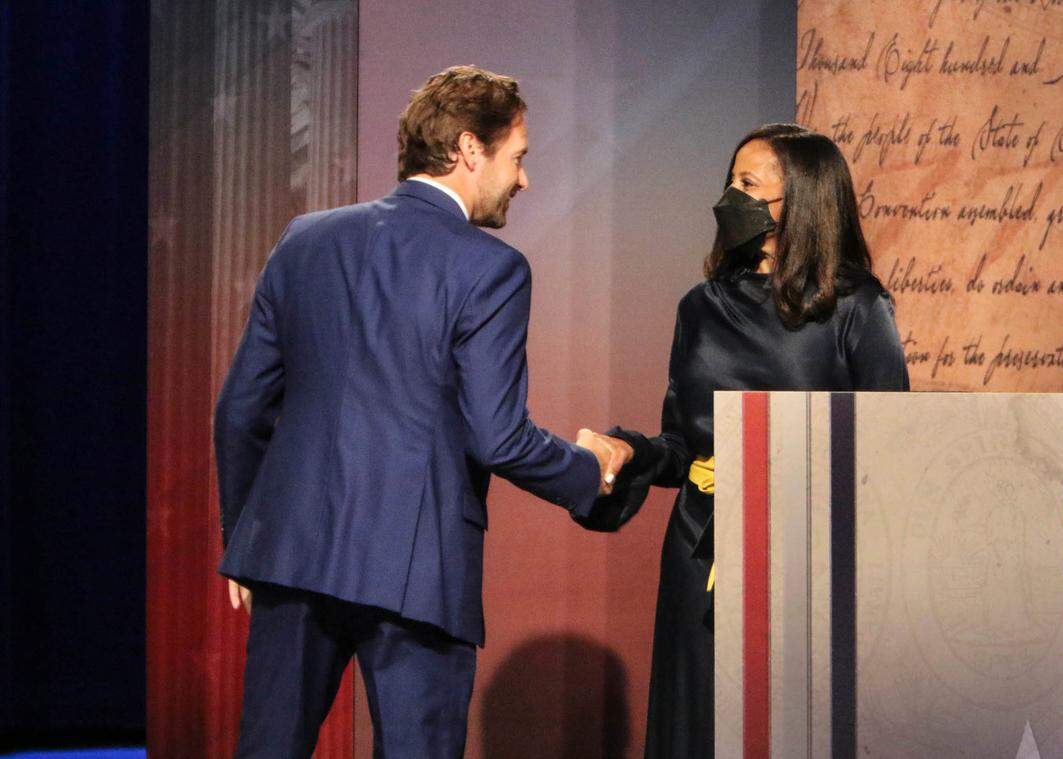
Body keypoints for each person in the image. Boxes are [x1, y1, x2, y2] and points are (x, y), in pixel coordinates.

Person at [214, 65, 630, 758]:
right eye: (517, 157)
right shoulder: (491, 268)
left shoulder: (305, 239)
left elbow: (239, 411)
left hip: (291, 553)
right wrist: (590, 471)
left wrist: (243, 541)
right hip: (419, 565)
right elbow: (498, 437)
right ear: (469, 149)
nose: (524, 180)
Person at [576, 124, 910, 758]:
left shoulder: (857, 307)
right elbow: (681, 444)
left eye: (748, 184)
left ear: (802, 200)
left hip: (808, 558)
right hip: (701, 549)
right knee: (702, 722)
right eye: (731, 180)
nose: (729, 197)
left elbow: (888, 449)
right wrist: (630, 452)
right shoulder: (700, 307)